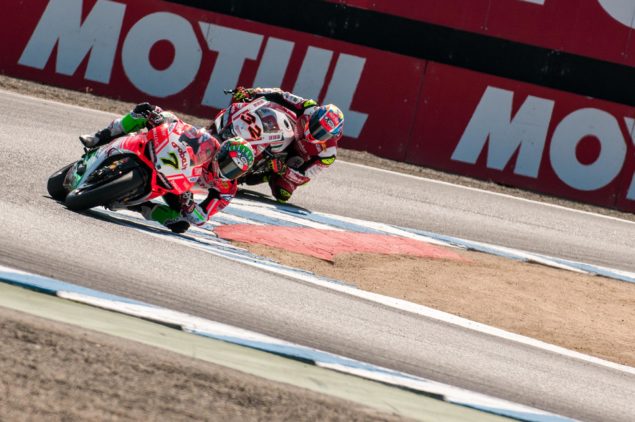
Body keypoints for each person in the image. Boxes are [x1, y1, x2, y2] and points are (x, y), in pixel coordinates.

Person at [80, 102, 255, 233]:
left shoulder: (226, 190)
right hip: (172, 160)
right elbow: (184, 131)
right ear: (221, 154)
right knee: (146, 110)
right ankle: (99, 137)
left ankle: (138, 206)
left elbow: (202, 218)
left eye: (234, 171)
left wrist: (190, 206)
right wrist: (160, 118)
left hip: (180, 189)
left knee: (180, 224)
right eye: (227, 164)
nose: (227, 171)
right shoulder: (209, 146)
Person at [228, 87, 344, 203]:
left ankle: (268, 175)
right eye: (316, 125)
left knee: (282, 194)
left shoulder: (328, 154)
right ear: (314, 115)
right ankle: (235, 131)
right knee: (271, 110)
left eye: (323, 133)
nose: (315, 132)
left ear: (333, 136)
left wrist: (284, 170)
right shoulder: (309, 107)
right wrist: (252, 92)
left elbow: (305, 175)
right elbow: (281, 95)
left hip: (295, 161)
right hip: (289, 131)